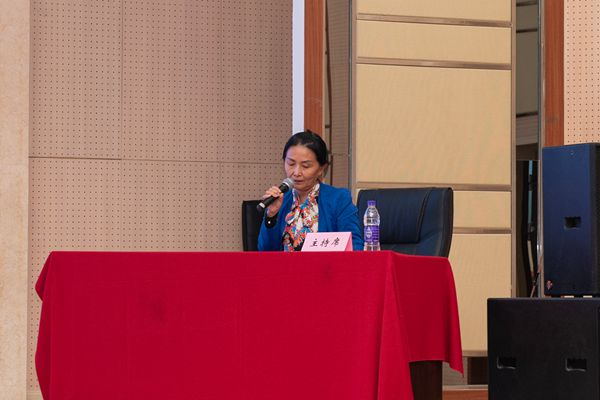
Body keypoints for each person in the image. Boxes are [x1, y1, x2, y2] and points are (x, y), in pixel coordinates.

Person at [258, 131, 364, 251]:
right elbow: (265, 251)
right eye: (291, 164)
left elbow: (355, 246)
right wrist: (271, 216)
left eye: (305, 166)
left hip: (326, 264)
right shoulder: (280, 200)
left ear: (321, 169)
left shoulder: (338, 199)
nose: (296, 172)